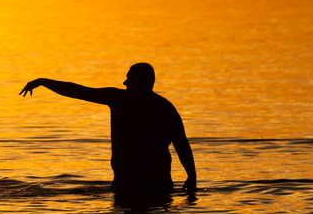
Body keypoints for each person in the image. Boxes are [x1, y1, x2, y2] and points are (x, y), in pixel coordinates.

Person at [20, 63, 197, 203]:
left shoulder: (120, 99)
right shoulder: (166, 108)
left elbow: (79, 92)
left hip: (130, 184)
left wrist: (43, 81)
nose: (124, 83)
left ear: (139, 81)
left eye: (129, 79)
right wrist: (191, 176)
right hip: (156, 185)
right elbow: (181, 144)